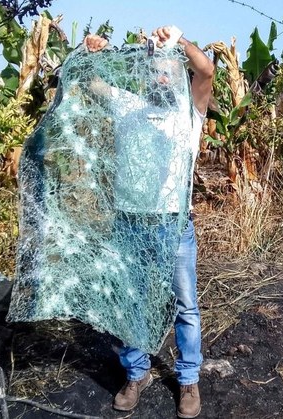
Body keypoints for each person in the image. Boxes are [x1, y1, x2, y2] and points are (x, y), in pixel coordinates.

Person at [84, 25, 214, 418]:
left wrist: (180, 41)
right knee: (131, 304)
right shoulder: (126, 104)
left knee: (185, 306)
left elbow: (206, 71)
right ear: (143, 75)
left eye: (167, 69)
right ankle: (136, 373)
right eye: (153, 69)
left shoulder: (189, 113)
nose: (160, 75)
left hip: (173, 226)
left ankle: (188, 379)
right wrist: (90, 51)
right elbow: (89, 82)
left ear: (176, 73)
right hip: (129, 225)